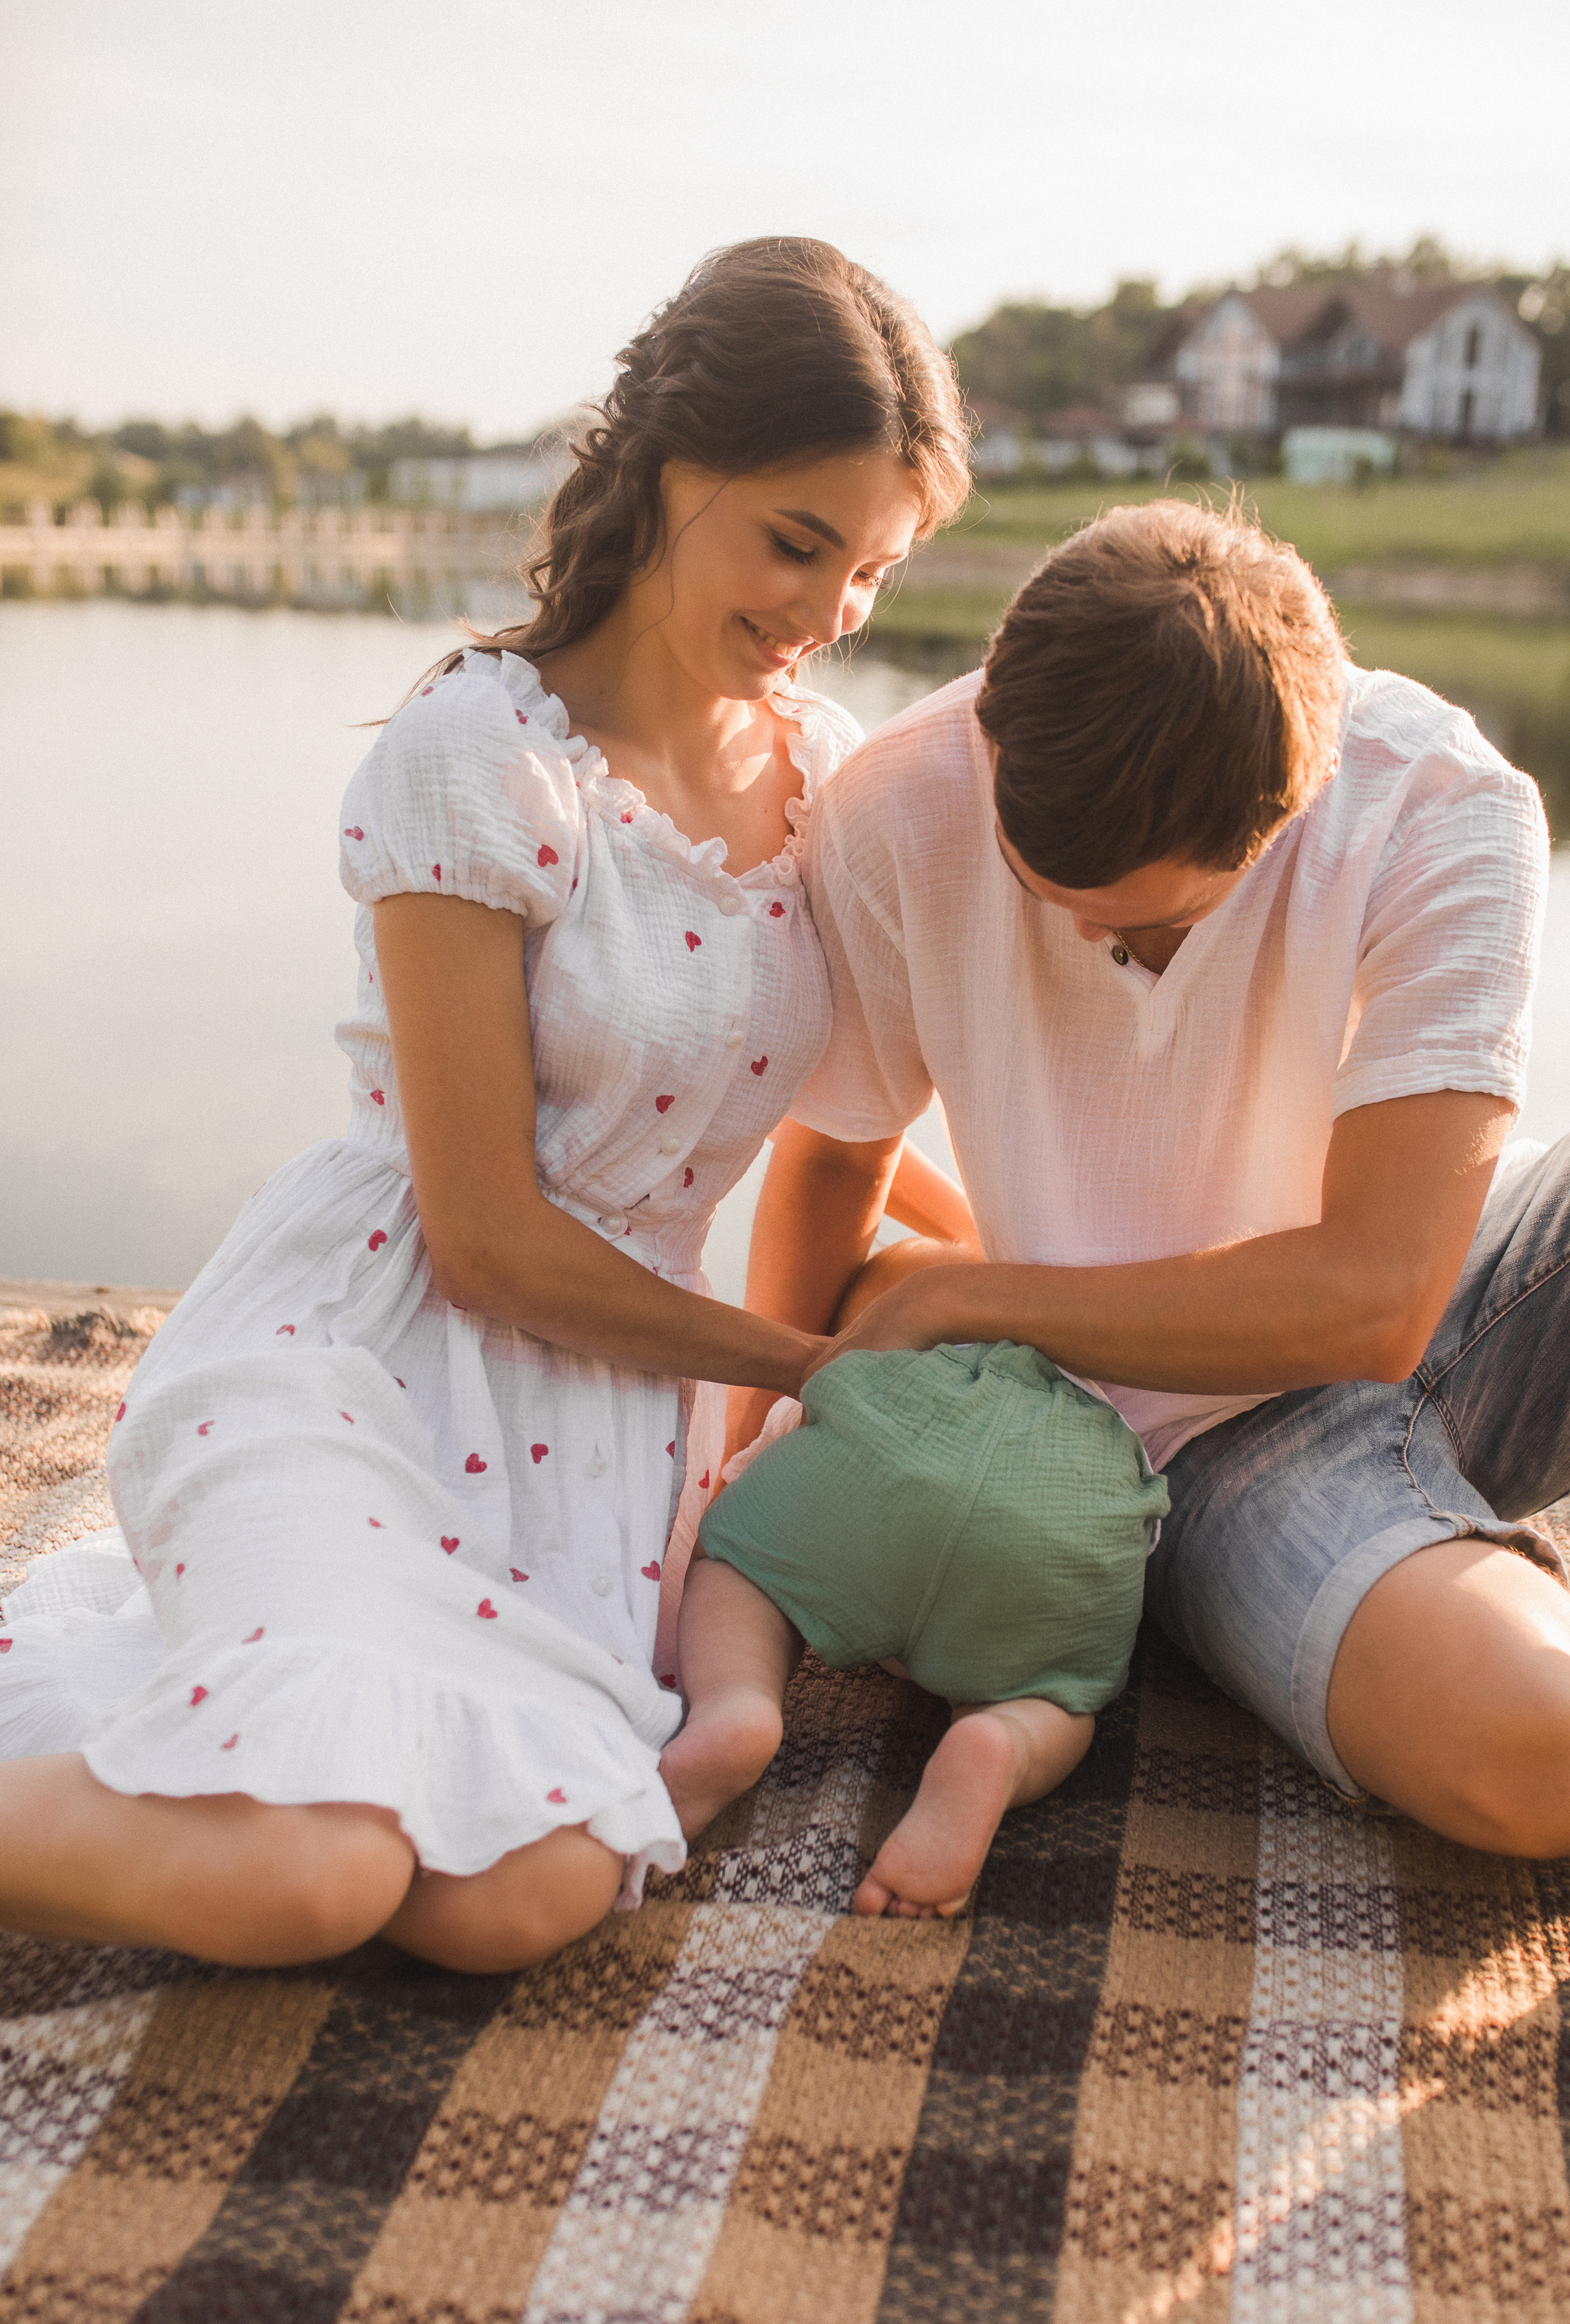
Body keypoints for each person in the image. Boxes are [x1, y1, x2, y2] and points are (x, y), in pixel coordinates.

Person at [0, 237, 974, 1974]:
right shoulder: (474, 759)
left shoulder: (828, 775)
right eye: (796, 543)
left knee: (515, 1901)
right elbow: (491, 1244)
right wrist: (814, 1371)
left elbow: (869, 1122)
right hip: (367, 1356)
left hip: (594, 1457)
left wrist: (1013, 1295)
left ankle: (184, 1743)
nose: (832, 611)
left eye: (876, 570)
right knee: (307, 1872)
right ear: (669, 470)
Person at [731, 496, 1570, 1869]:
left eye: (1146, 918)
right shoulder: (901, 802)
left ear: (1288, 812)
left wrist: (975, 1296)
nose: (1084, 934)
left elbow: (1375, 1306)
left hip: (1410, 1292)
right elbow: (833, 1160)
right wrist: (744, 1478)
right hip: (1180, 1443)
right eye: (1042, 890)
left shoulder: (1436, 804)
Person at [659, 1302, 1168, 1917]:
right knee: (1057, 1697)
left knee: (740, 1564)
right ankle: (1001, 1737)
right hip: (1063, 1511)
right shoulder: (1134, 1390)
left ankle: (735, 1702)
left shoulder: (905, 1331)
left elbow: (795, 1422)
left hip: (888, 1454)